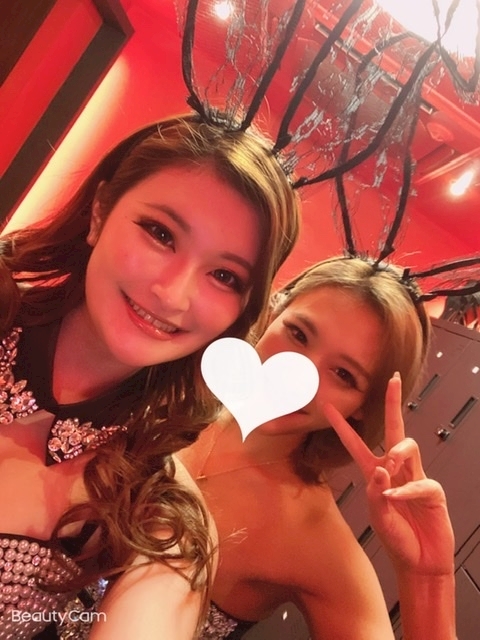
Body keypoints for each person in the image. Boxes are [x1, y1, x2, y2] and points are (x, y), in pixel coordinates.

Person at [0, 114, 301, 639]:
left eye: (224, 276)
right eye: (161, 234)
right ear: (100, 212)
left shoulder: (160, 515)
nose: (174, 294)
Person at [178, 256, 456, 640]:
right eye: (298, 334)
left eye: (343, 374)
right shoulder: (169, 395)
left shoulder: (315, 540)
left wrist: (428, 578)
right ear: (275, 311)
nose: (296, 374)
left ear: (362, 407)